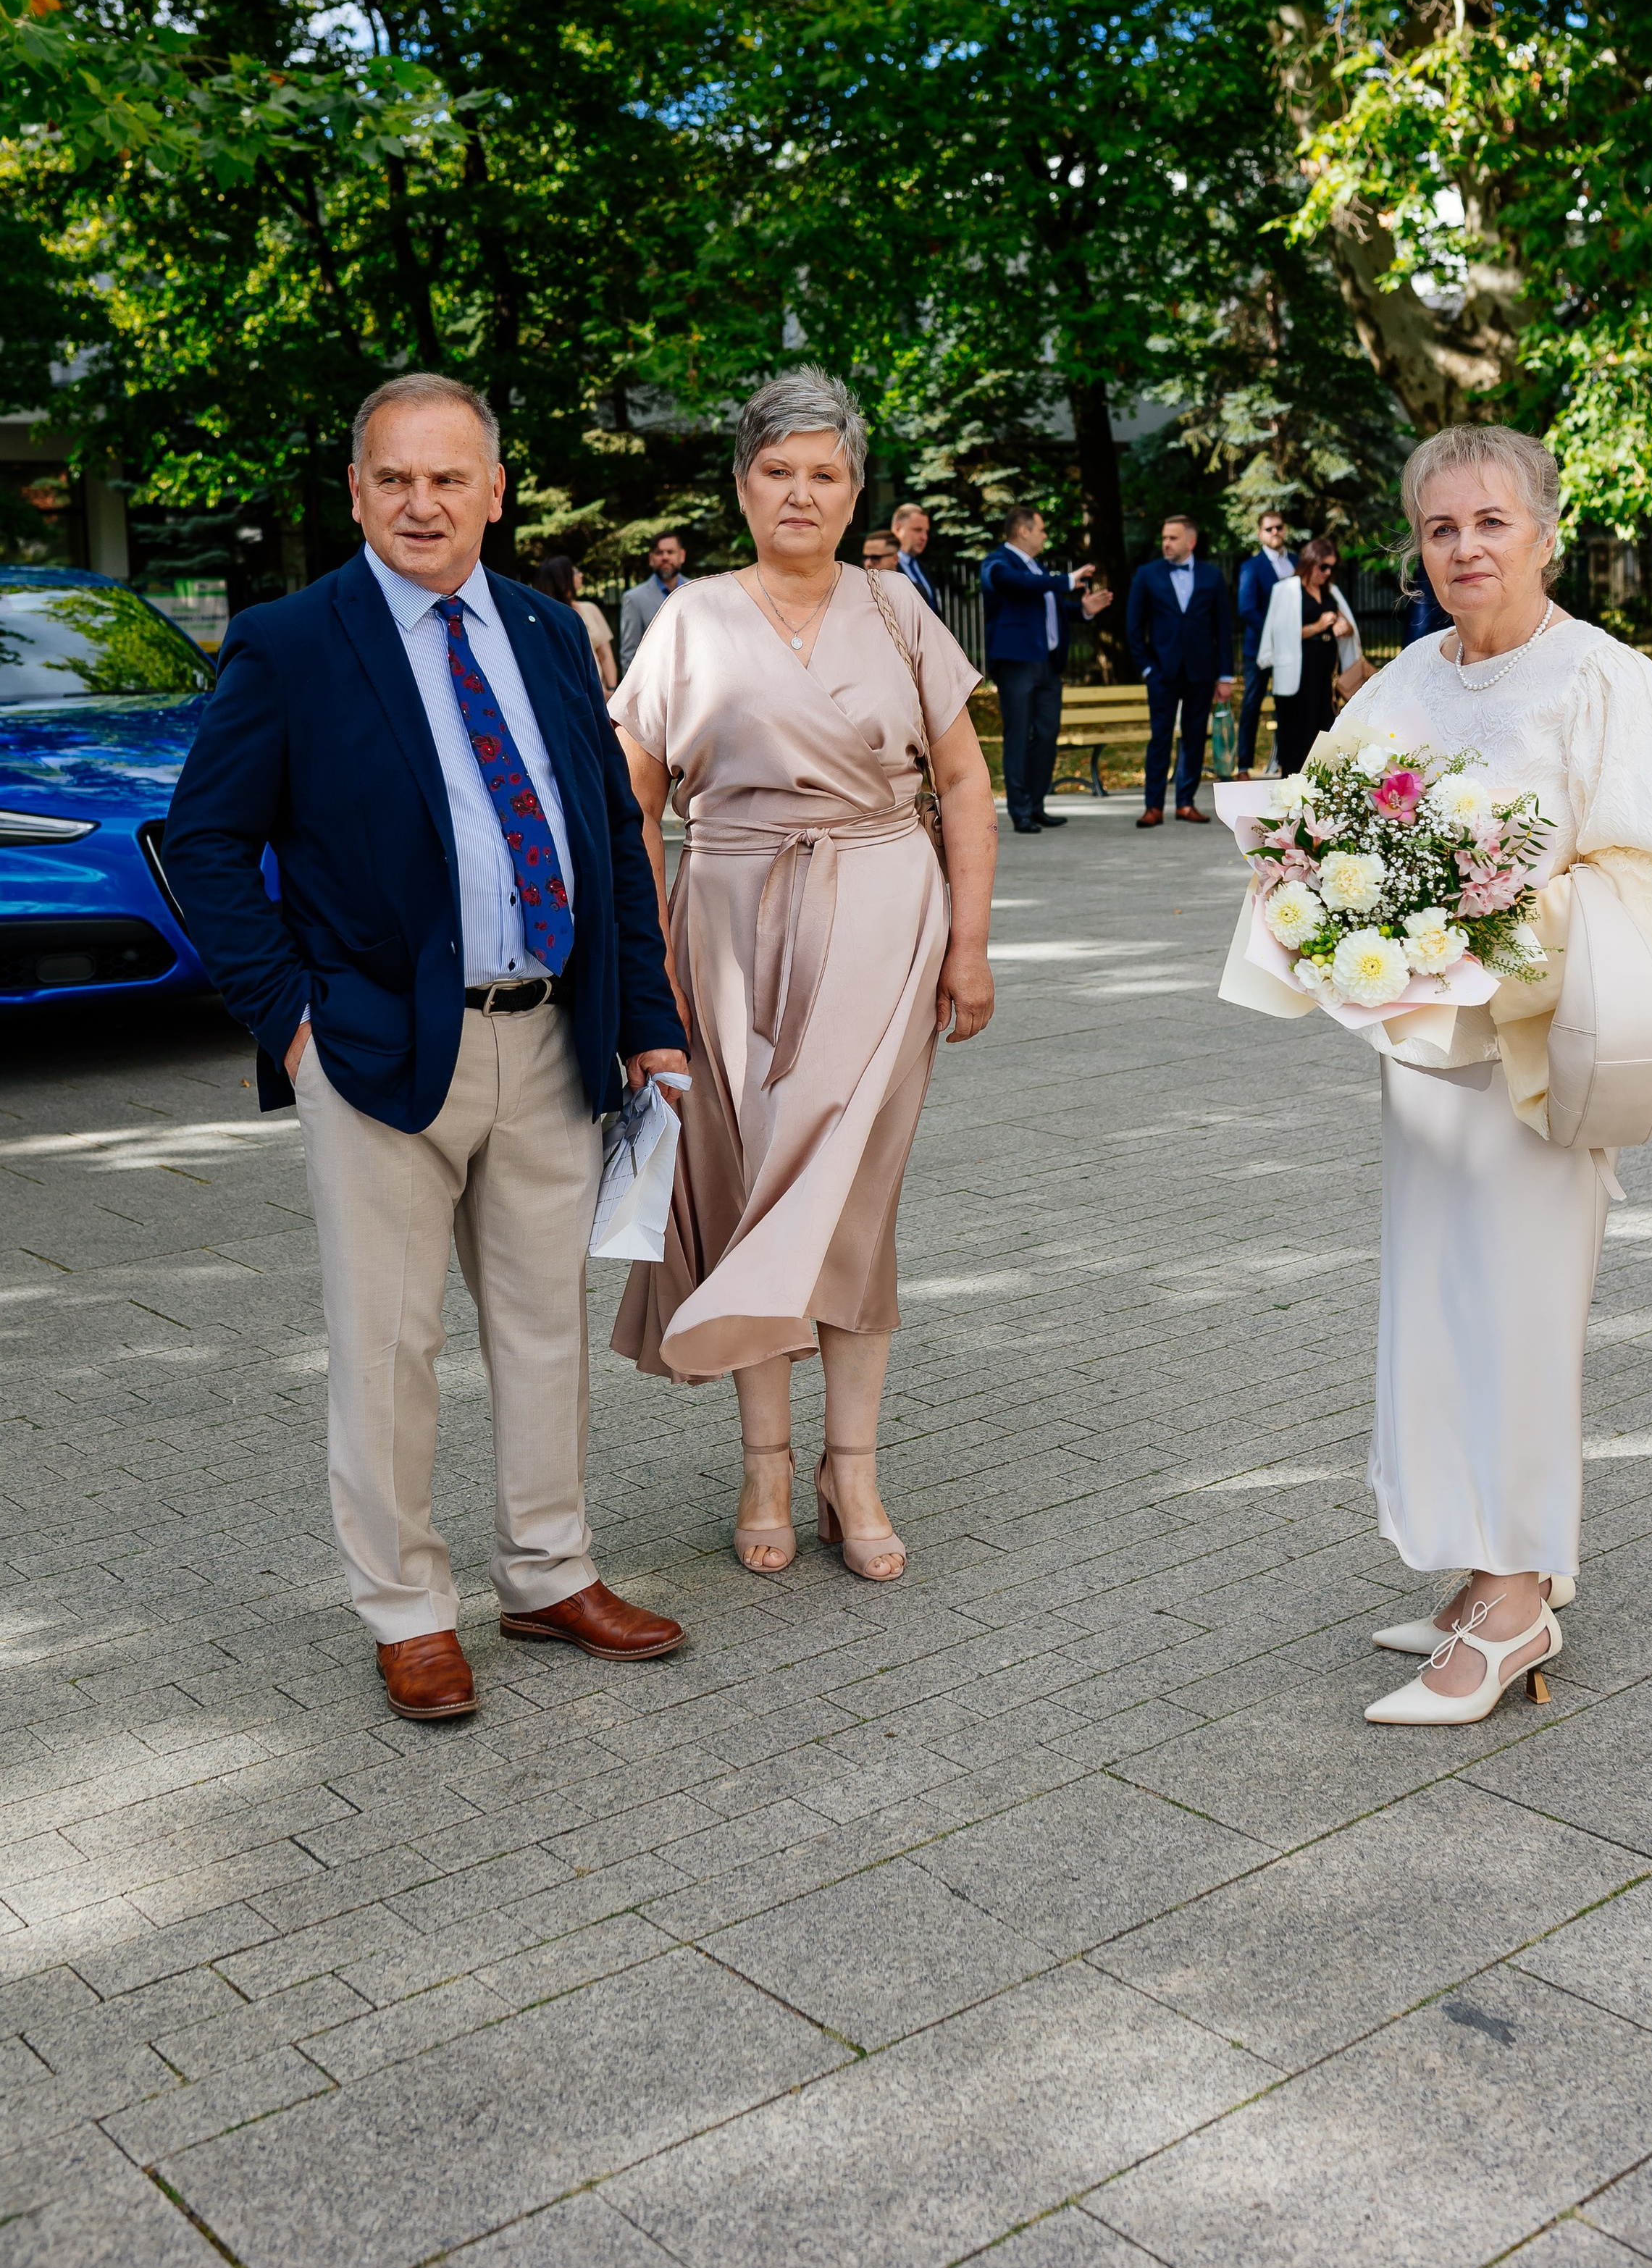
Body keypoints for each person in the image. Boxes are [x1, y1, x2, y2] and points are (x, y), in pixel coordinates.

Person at [162, 375, 692, 1724]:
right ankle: (406, 1609)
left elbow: (603, 838)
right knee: (388, 1346)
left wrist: (646, 1023)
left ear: (494, 493)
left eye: (450, 478)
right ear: (356, 492)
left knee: (542, 1330)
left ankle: (548, 1570)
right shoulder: (291, 642)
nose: (423, 502)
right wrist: (288, 1015)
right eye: (395, 478)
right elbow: (209, 845)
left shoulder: (545, 629)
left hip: (552, 1037)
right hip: (379, 1052)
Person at [1320, 425, 1652, 1724]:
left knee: (1521, 1313)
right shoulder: (1401, 685)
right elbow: (1329, 833)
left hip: (1539, 1052)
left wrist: (1511, 906)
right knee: (1439, 1306)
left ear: (1546, 530)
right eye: (1440, 528)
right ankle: (1500, 1560)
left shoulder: (1600, 681)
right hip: (1426, 1058)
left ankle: (1511, 1609)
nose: (1465, 548)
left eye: (1492, 522)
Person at [610, 366, 996, 1584]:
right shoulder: (690, 620)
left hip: (886, 913)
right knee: (751, 1189)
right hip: (724, 921)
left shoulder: (897, 611)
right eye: (778, 470)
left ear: (855, 489)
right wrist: (640, 967)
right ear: (741, 486)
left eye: (825, 473)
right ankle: (769, 1464)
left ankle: (856, 1463)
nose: (801, 492)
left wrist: (973, 940)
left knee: (853, 1196)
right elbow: (634, 801)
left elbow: (969, 784)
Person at [979, 505, 1113, 834]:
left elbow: (1044, 608)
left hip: (1048, 666)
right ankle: (1020, 810)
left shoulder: (1035, 569)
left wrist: (1081, 610)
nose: (1045, 536)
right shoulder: (998, 564)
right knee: (1019, 735)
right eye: (1042, 530)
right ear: (1023, 531)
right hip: (1017, 666)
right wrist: (1066, 580)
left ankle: (1037, 805)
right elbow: (1018, 586)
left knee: (1046, 736)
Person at [1125, 513, 1236, 828]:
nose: (1166, 543)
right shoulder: (1147, 575)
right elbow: (1133, 627)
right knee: (1160, 737)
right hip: (1161, 672)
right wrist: (1146, 668)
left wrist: (1225, 675)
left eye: (1173, 538)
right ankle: (1153, 806)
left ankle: (1186, 803)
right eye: (1164, 537)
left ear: (1191, 541)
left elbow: (1223, 629)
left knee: (1194, 737)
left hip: (1201, 672)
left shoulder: (1212, 577)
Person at [1262, 539, 1357, 776]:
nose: (1327, 573)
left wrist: (1342, 628)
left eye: (1332, 568)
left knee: (1325, 731)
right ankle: (1293, 789)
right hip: (1299, 674)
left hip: (1326, 675)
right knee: (1297, 734)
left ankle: (1322, 790)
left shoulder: (1330, 591)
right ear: (1310, 562)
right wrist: (1318, 626)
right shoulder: (1287, 589)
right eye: (1323, 567)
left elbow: (1350, 625)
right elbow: (1280, 633)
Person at [1234, 506, 1297, 774]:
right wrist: (1274, 633)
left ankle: (1288, 763)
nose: (1275, 532)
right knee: (1252, 705)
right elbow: (1246, 608)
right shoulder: (1251, 567)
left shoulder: (1296, 561)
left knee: (1289, 705)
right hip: (1259, 647)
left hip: (1292, 648)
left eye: (1279, 527)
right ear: (1260, 534)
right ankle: (1244, 766)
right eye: (1269, 529)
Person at [533, 553, 618, 694]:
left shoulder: (590, 609)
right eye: (575, 572)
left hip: (601, 695)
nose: (581, 575)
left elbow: (605, 654)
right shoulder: (544, 616)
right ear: (562, 579)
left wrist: (611, 690)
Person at [619, 530, 689, 676]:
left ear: (682, 556)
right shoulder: (634, 599)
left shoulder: (696, 591)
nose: (665, 557)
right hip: (654, 689)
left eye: (670, 552)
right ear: (651, 559)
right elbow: (629, 655)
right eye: (659, 553)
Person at [892, 502, 938, 612]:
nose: (924, 537)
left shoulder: (923, 568)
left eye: (926, 531)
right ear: (898, 529)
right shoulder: (885, 567)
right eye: (917, 530)